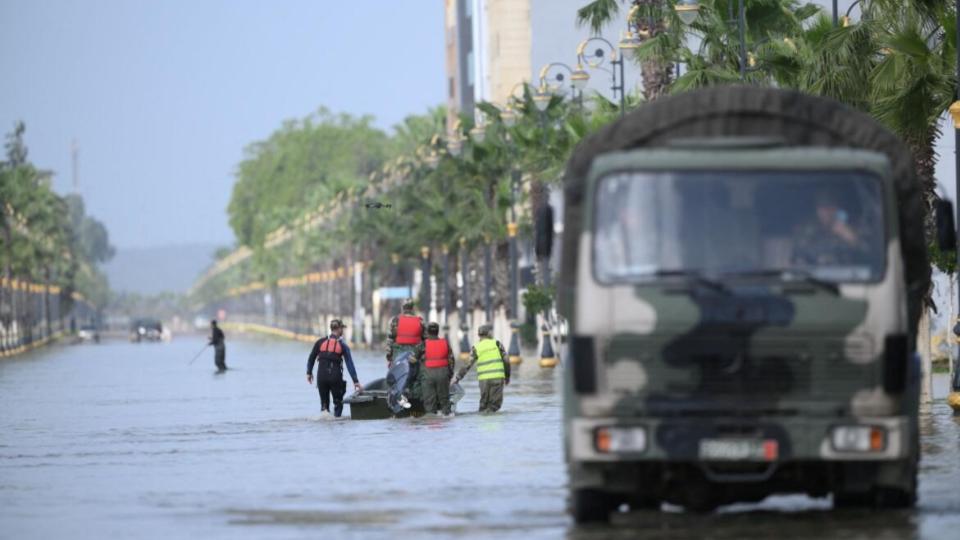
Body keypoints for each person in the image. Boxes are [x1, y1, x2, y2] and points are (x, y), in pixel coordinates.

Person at [793, 190, 869, 266]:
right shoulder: (805, 229)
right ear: (817, 210)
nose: (827, 212)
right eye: (822, 207)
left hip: (850, 275)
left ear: (839, 209)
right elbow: (798, 255)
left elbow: (869, 254)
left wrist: (851, 237)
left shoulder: (856, 227)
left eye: (831, 207)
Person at [306, 319, 362, 418]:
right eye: (342, 329)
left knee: (324, 406)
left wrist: (309, 372)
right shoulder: (343, 345)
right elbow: (349, 364)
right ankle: (337, 424)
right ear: (339, 329)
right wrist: (355, 381)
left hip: (321, 376)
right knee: (338, 403)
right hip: (335, 376)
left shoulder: (320, 342)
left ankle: (324, 426)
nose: (343, 331)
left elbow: (311, 358)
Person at [452, 324, 510, 413]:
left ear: (478, 335)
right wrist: (507, 376)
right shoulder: (497, 344)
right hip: (497, 378)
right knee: (494, 406)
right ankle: (493, 424)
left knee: (484, 405)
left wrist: (457, 378)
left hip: (484, 380)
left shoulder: (476, 347)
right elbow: (506, 360)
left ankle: (482, 423)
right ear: (489, 333)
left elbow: (468, 364)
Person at [385, 299, 425, 407]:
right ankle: (417, 400)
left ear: (403, 307)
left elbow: (390, 340)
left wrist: (389, 357)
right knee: (416, 378)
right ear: (412, 308)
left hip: (398, 354)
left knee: (397, 378)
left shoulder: (395, 321)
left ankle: (396, 400)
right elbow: (425, 341)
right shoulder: (420, 321)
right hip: (414, 354)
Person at [418, 322, 455, 415]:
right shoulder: (445, 343)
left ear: (427, 331)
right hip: (443, 374)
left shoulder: (423, 344)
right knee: (445, 402)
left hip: (428, 375)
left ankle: (431, 422)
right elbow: (451, 361)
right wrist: (449, 375)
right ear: (438, 331)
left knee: (430, 404)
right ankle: (446, 418)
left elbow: (413, 359)